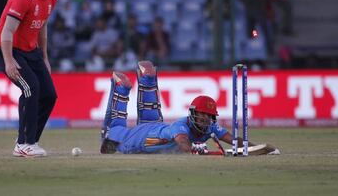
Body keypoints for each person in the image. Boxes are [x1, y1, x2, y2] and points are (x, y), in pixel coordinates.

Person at [100, 60, 279, 155]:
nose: (205, 120)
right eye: (202, 115)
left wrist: (256, 148)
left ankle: (147, 79)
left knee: (151, 113)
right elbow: (183, 142)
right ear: (193, 114)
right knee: (113, 133)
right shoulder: (180, 126)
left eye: (208, 116)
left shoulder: (210, 127)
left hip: (156, 128)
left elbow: (233, 140)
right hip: (139, 140)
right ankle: (120, 88)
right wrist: (195, 149)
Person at [0, 0, 63, 157]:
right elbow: (6, 32)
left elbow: (42, 26)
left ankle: (28, 140)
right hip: (7, 48)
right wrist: (8, 61)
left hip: (31, 51)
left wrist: (45, 58)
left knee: (49, 95)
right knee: (31, 87)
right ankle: (24, 143)